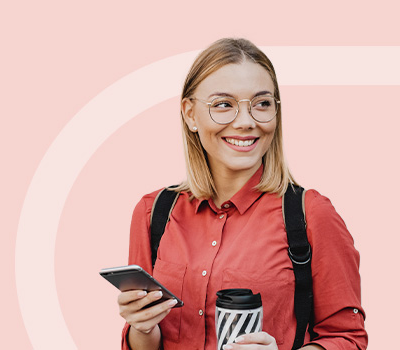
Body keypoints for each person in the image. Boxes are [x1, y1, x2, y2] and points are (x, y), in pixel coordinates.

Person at [117, 38, 368, 350]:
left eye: (262, 104)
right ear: (190, 114)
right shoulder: (153, 212)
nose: (247, 122)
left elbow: (347, 338)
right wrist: (141, 328)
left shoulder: (311, 214)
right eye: (224, 105)